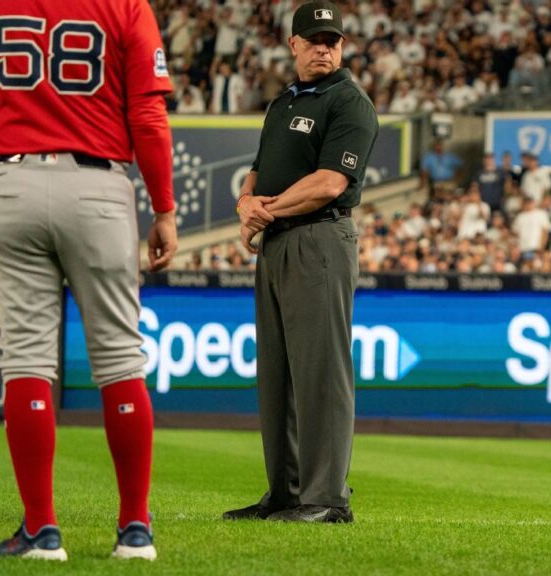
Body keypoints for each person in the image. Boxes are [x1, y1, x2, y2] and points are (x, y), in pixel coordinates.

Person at [0, 0, 177, 561]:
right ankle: (135, 530)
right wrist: (164, 208)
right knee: (119, 358)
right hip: (98, 187)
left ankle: (42, 532)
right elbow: (147, 114)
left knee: (25, 361)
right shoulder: (125, 4)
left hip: (13, 179)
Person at [224, 1, 378, 524]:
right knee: (278, 375)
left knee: (321, 374)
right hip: (277, 244)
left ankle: (326, 499)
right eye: (314, 40)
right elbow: (256, 170)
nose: (324, 48)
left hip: (319, 241)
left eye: (332, 40)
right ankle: (286, 494)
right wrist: (247, 203)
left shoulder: (349, 102)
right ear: (293, 45)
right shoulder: (283, 103)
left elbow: (330, 182)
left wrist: (261, 211)